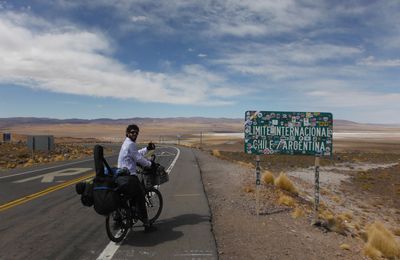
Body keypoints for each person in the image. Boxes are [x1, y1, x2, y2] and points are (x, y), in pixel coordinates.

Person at [117, 124, 156, 231]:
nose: (135, 134)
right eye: (132, 132)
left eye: (136, 132)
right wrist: (150, 164)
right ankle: (147, 224)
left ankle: (130, 215)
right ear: (127, 133)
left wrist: (147, 149)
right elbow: (138, 158)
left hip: (121, 174)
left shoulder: (127, 143)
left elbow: (135, 154)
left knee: (132, 196)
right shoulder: (130, 144)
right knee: (140, 196)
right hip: (128, 175)